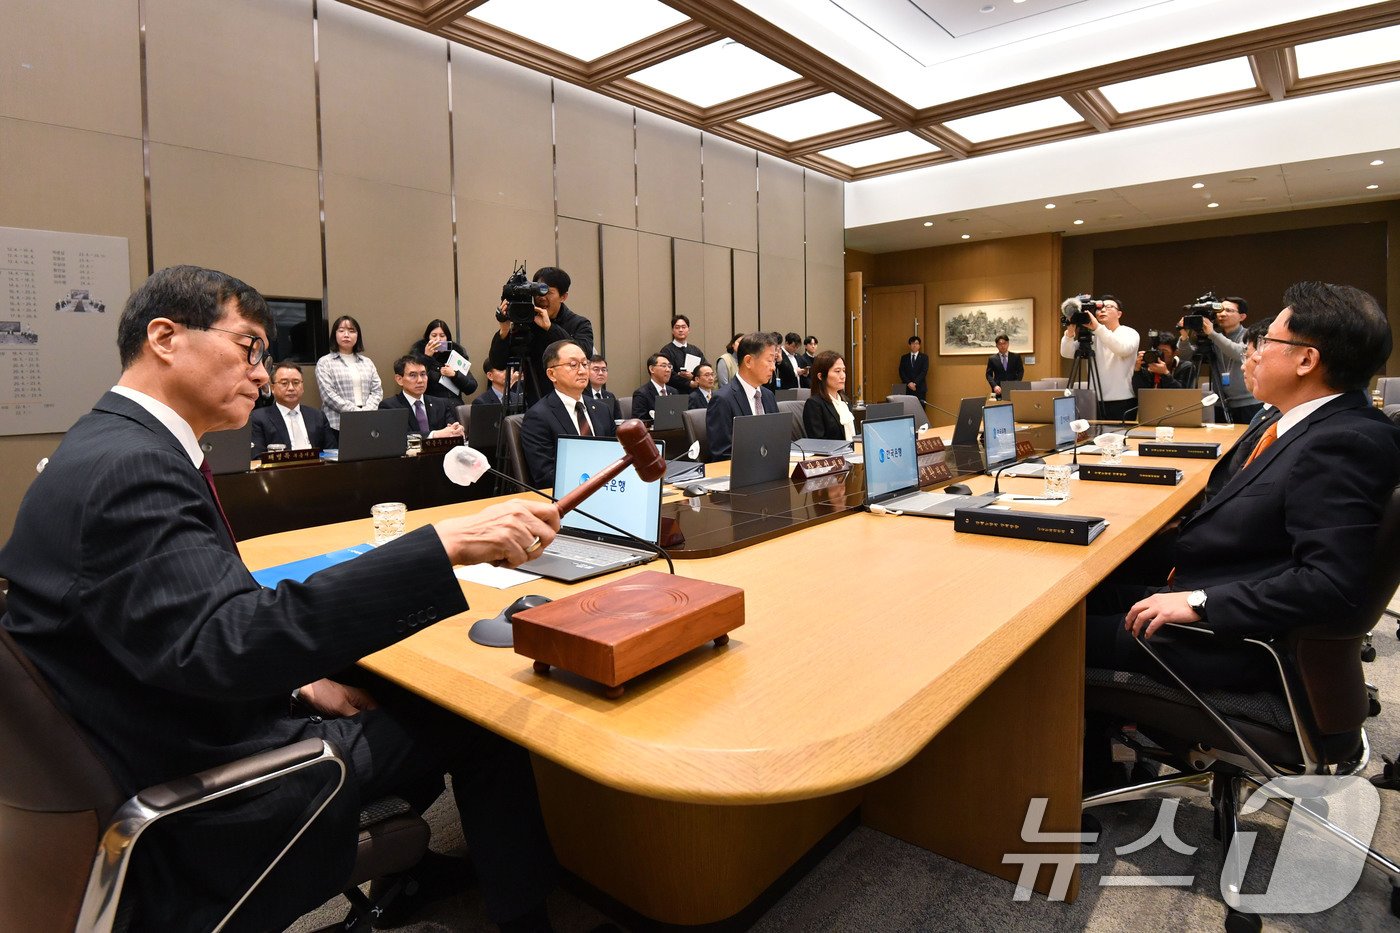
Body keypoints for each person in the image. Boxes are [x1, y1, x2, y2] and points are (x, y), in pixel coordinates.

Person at [0, 265, 564, 933]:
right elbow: (230, 645)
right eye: (248, 348)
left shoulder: (105, 443)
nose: (264, 374)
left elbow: (187, 632)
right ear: (165, 336)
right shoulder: (134, 468)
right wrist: (438, 547)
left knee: (384, 688)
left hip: (153, 725)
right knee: (481, 717)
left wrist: (301, 679)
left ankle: (406, 865)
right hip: (210, 776)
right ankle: (528, 920)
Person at [1084, 282, 1400, 787]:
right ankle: (1102, 755)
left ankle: (1082, 777)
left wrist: (1201, 602)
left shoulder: (1343, 442)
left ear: (1305, 361)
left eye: (1267, 342)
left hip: (1238, 641)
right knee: (1082, 594)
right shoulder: (1309, 424)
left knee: (1049, 638)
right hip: (1229, 595)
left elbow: (1331, 584)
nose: (1253, 351)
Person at [488, 266, 593, 407]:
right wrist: (504, 328)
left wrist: (550, 328)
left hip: (574, 401)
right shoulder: (527, 325)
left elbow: (583, 352)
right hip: (537, 403)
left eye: (548, 292)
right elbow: (498, 362)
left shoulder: (580, 323)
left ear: (563, 296)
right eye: (537, 292)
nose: (542, 298)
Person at [520, 340, 616, 487]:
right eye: (573, 365)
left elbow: (615, 457)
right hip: (568, 498)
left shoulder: (602, 410)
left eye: (585, 364)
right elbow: (545, 475)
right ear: (552, 374)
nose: (583, 371)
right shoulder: (538, 417)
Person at [1176, 296, 1262, 424]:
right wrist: (1184, 335)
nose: (1222, 314)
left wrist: (1213, 334)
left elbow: (1239, 352)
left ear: (1242, 316)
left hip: (1247, 403)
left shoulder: (1249, 334)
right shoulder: (1211, 336)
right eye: (1220, 311)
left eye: (1229, 310)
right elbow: (1186, 356)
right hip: (1220, 403)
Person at [1059, 295, 1139, 420]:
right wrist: (1070, 333)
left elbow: (1122, 349)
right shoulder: (1093, 336)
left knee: (1118, 438)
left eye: (1108, 307)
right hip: (1094, 400)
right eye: (1099, 308)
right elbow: (1067, 353)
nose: (1102, 310)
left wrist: (1097, 328)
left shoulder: (1129, 332)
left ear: (1119, 314)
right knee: (1095, 438)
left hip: (1122, 400)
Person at [706, 332, 779, 459]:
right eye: (769, 360)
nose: (773, 368)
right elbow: (722, 454)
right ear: (748, 361)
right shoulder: (723, 399)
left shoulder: (768, 396)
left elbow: (777, 440)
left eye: (774, 361)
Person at [250, 361, 334, 455]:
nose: (291, 388)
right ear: (272, 388)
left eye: (296, 383)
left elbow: (332, 451)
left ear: (302, 387)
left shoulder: (317, 415)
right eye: (284, 383)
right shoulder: (259, 418)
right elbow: (257, 456)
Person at [316, 315, 383, 431]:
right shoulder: (325, 362)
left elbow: (377, 391)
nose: (346, 335)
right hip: (338, 423)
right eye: (341, 331)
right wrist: (356, 412)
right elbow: (328, 396)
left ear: (358, 336)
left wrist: (367, 411)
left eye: (351, 331)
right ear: (334, 334)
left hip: (367, 420)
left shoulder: (367, 362)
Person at [379, 355, 464, 439]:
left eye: (423, 374)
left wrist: (456, 430)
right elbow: (397, 436)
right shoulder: (389, 407)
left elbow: (451, 428)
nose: (420, 380)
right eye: (413, 375)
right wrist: (434, 435)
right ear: (399, 379)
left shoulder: (441, 404)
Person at [410, 318, 478, 402]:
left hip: (454, 406)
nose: (438, 339)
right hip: (431, 406)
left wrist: (455, 375)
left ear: (447, 338)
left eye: (442, 336)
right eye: (434, 335)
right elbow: (413, 383)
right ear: (428, 338)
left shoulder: (455, 354)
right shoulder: (418, 356)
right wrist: (427, 357)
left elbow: (471, 387)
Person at [802, 351, 855, 441]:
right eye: (837, 371)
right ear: (821, 376)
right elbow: (819, 442)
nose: (843, 376)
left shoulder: (845, 401)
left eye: (844, 370)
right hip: (834, 454)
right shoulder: (814, 404)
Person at [657, 314, 706, 395]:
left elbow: (705, 368)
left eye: (683, 327)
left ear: (689, 330)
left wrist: (693, 376)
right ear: (672, 331)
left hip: (696, 394)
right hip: (676, 394)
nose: (680, 330)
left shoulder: (695, 350)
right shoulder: (666, 351)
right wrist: (689, 383)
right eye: (677, 327)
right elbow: (667, 374)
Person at [630, 353, 674, 426]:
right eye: (664, 366)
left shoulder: (673, 391)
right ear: (651, 369)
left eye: (669, 366)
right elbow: (639, 422)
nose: (668, 370)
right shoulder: (641, 394)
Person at [586, 353, 622, 421]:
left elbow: (618, 420)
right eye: (596, 369)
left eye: (604, 370)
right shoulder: (582, 395)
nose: (600, 373)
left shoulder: (610, 396)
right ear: (587, 372)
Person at [898, 336, 928, 402]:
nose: (914, 345)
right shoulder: (904, 357)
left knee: (920, 409)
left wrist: (914, 383)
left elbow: (924, 371)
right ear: (909, 345)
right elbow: (901, 371)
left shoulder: (924, 357)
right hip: (906, 388)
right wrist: (909, 383)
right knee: (907, 409)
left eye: (916, 343)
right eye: (912, 343)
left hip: (920, 388)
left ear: (919, 345)